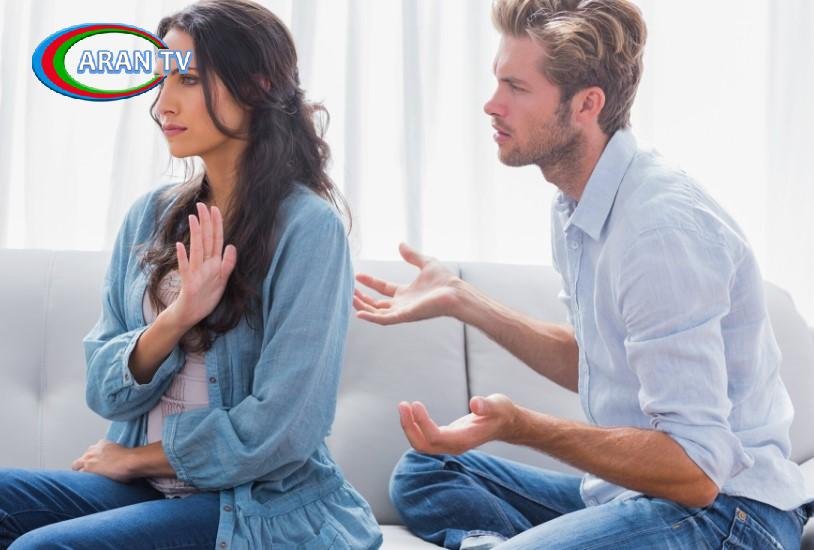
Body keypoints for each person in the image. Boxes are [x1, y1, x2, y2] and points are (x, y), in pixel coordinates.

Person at [353, 0, 811, 548]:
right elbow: (597, 362)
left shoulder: (659, 230)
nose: (491, 104)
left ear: (586, 105)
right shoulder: (578, 205)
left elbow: (697, 471)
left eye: (516, 87)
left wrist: (523, 426)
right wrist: (463, 299)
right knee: (427, 471)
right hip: (632, 495)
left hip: (730, 515)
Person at [0, 1, 382, 548]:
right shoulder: (150, 217)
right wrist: (177, 319)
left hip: (252, 506)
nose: (162, 104)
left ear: (256, 85)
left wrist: (135, 459)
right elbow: (104, 391)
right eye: (161, 81)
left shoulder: (308, 229)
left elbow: (284, 427)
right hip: (151, 493)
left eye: (189, 79)